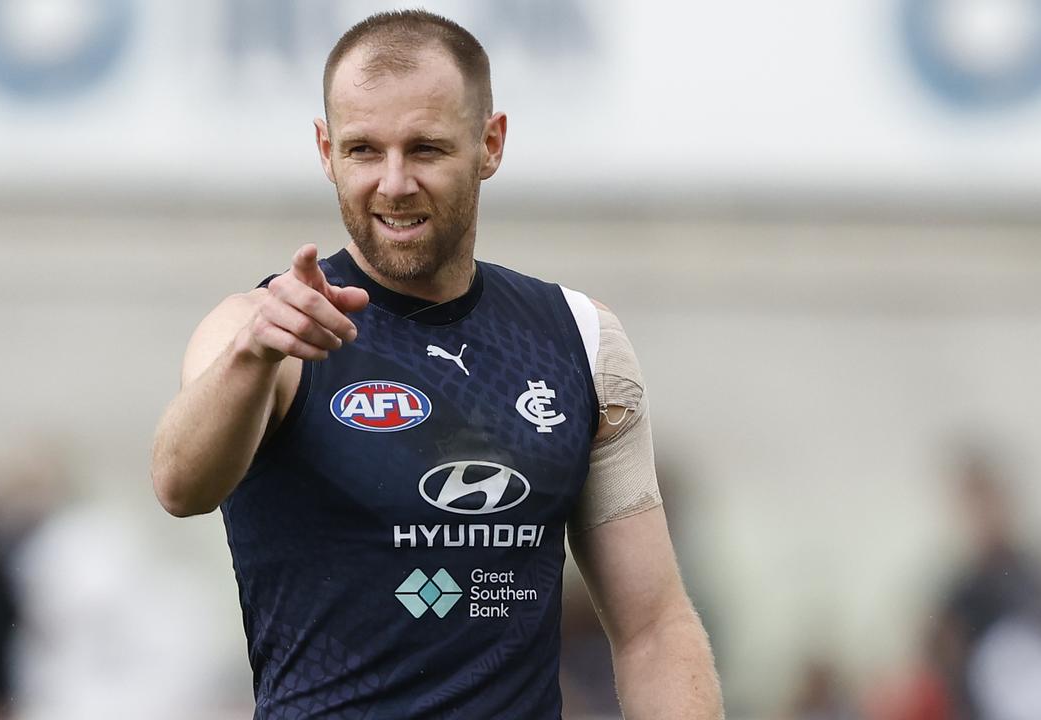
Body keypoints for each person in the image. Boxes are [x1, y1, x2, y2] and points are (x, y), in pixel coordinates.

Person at [151, 10, 722, 719]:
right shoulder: (261, 332)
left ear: (491, 143)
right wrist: (252, 355)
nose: (394, 183)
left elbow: (653, 627)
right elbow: (180, 485)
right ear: (325, 151)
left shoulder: (581, 339)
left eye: (424, 148)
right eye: (363, 150)